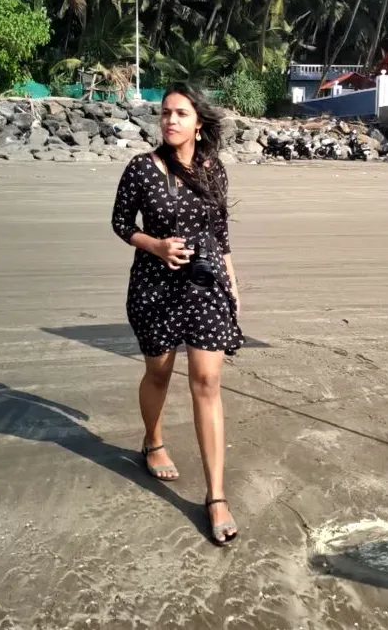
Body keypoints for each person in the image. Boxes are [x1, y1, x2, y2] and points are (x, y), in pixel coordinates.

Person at [111, 82, 243, 544]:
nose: (170, 120)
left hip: (205, 284)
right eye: (165, 112)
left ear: (198, 122)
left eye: (181, 113)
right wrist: (156, 246)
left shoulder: (213, 169)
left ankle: (216, 495)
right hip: (155, 286)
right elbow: (121, 223)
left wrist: (232, 282)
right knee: (160, 374)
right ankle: (153, 439)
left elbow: (221, 230)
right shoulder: (142, 169)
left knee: (206, 381)